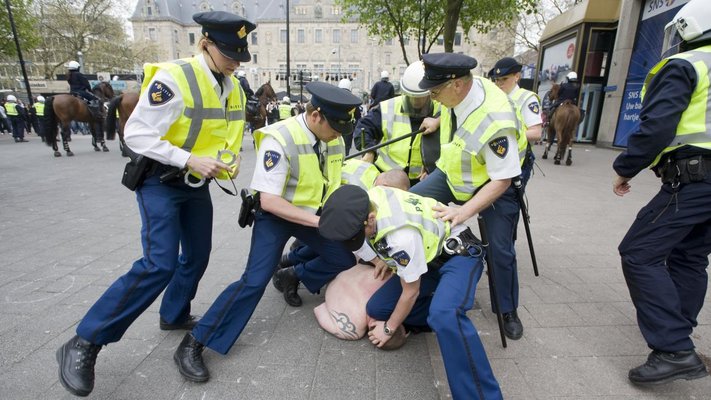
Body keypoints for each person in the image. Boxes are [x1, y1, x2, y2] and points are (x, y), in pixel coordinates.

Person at [55, 11, 254, 397]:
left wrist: (226, 161)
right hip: (159, 182)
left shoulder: (234, 86)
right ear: (205, 44)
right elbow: (137, 135)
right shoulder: (174, 76)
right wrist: (188, 159)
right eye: (228, 52)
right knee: (158, 264)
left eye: (239, 55)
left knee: (197, 256)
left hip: (197, 182)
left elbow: (227, 135)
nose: (234, 61)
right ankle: (84, 342)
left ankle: (173, 314)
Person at [172, 81, 362, 383]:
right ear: (315, 117)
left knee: (344, 260)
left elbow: (334, 182)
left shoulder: (334, 138)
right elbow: (270, 201)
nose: (340, 134)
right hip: (275, 215)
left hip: (312, 214)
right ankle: (194, 342)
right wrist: (319, 224)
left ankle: (292, 275)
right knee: (254, 281)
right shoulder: (280, 138)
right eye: (336, 127)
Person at [320, 184, 503, 400]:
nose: (357, 240)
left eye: (359, 235)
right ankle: (442, 304)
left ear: (370, 218)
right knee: (377, 308)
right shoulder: (368, 198)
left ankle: (482, 396)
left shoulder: (400, 238)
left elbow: (410, 292)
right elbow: (362, 241)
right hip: (426, 257)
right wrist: (381, 258)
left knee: (444, 315)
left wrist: (388, 330)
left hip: (458, 255)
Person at [612, 0, 711, 386]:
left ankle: (674, 349)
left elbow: (657, 126)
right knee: (689, 257)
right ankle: (677, 332)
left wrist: (624, 168)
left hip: (694, 180)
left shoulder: (687, 65)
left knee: (638, 252)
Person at [409, 53, 521, 228]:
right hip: (451, 173)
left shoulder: (494, 121)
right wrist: (436, 121)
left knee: (498, 252)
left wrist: (462, 212)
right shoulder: (461, 87)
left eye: (435, 92)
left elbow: (502, 179)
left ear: (457, 85)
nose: (433, 98)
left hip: (492, 182)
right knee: (409, 204)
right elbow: (459, 119)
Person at [482, 56, 544, 340]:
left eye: (504, 80)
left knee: (500, 246)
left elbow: (535, 132)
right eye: (496, 80)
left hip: (508, 172)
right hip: (475, 170)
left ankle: (507, 309)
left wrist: (506, 130)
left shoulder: (525, 98)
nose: (499, 85)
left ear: (517, 76)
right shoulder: (487, 97)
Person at [355, 61, 441, 187]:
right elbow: (364, 127)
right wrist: (369, 151)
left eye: (420, 98)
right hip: (388, 178)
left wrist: (433, 167)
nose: (415, 102)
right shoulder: (387, 108)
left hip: (421, 180)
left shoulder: (442, 111)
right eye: (411, 97)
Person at [338, 78, 362, 155]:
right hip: (348, 128)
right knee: (346, 148)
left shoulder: (334, 97)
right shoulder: (353, 100)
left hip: (335, 126)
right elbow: (358, 116)